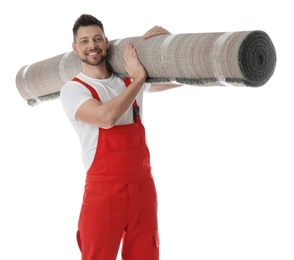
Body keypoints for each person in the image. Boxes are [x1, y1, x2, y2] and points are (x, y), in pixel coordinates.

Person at [60, 14, 181, 260]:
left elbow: (178, 79)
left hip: (143, 188)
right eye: (84, 41)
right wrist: (138, 80)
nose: (91, 46)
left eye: (96, 39)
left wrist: (168, 40)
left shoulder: (127, 78)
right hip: (103, 193)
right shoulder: (74, 89)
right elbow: (106, 117)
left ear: (106, 42)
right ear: (75, 48)